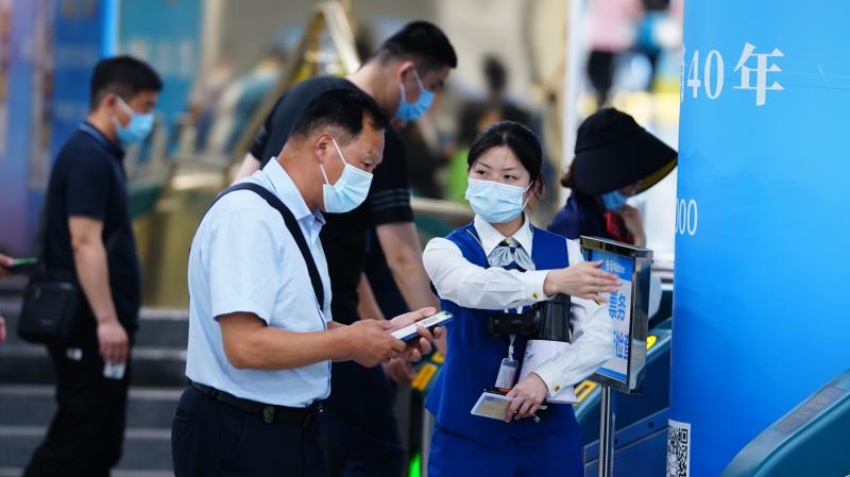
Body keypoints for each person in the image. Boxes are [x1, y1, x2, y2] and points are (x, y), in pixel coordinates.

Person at [172, 88, 437, 477]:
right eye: (366, 164)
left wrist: (376, 335)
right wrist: (348, 342)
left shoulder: (300, 220)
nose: (369, 179)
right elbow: (245, 346)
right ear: (324, 146)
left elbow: (298, 328)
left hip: (289, 429)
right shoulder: (249, 218)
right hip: (241, 433)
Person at [232, 21, 457, 477]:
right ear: (406, 73)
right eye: (431, 87)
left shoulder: (302, 97)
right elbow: (400, 255)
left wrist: (376, 328)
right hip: (319, 320)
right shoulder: (374, 133)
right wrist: (441, 332)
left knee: (325, 446)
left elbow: (242, 177)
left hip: (286, 308)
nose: (427, 102)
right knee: (377, 452)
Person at [422, 121, 618, 477]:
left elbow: (601, 337)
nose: (493, 185)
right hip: (467, 437)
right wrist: (549, 282)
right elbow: (472, 287)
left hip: (548, 440)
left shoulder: (567, 251)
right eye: (482, 173)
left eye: (509, 177)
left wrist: (545, 379)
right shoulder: (445, 249)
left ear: (533, 189)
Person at [23, 56, 162, 477]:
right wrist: (106, 320)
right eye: (143, 108)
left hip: (102, 324)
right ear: (111, 101)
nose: (147, 119)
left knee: (100, 442)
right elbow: (85, 243)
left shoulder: (103, 154)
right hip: (87, 324)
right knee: (76, 439)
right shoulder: (88, 158)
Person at [548, 108, 677, 248]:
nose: (639, 182)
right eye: (631, 174)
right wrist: (639, 239)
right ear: (608, 174)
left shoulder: (602, 217)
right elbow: (631, 271)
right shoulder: (577, 226)